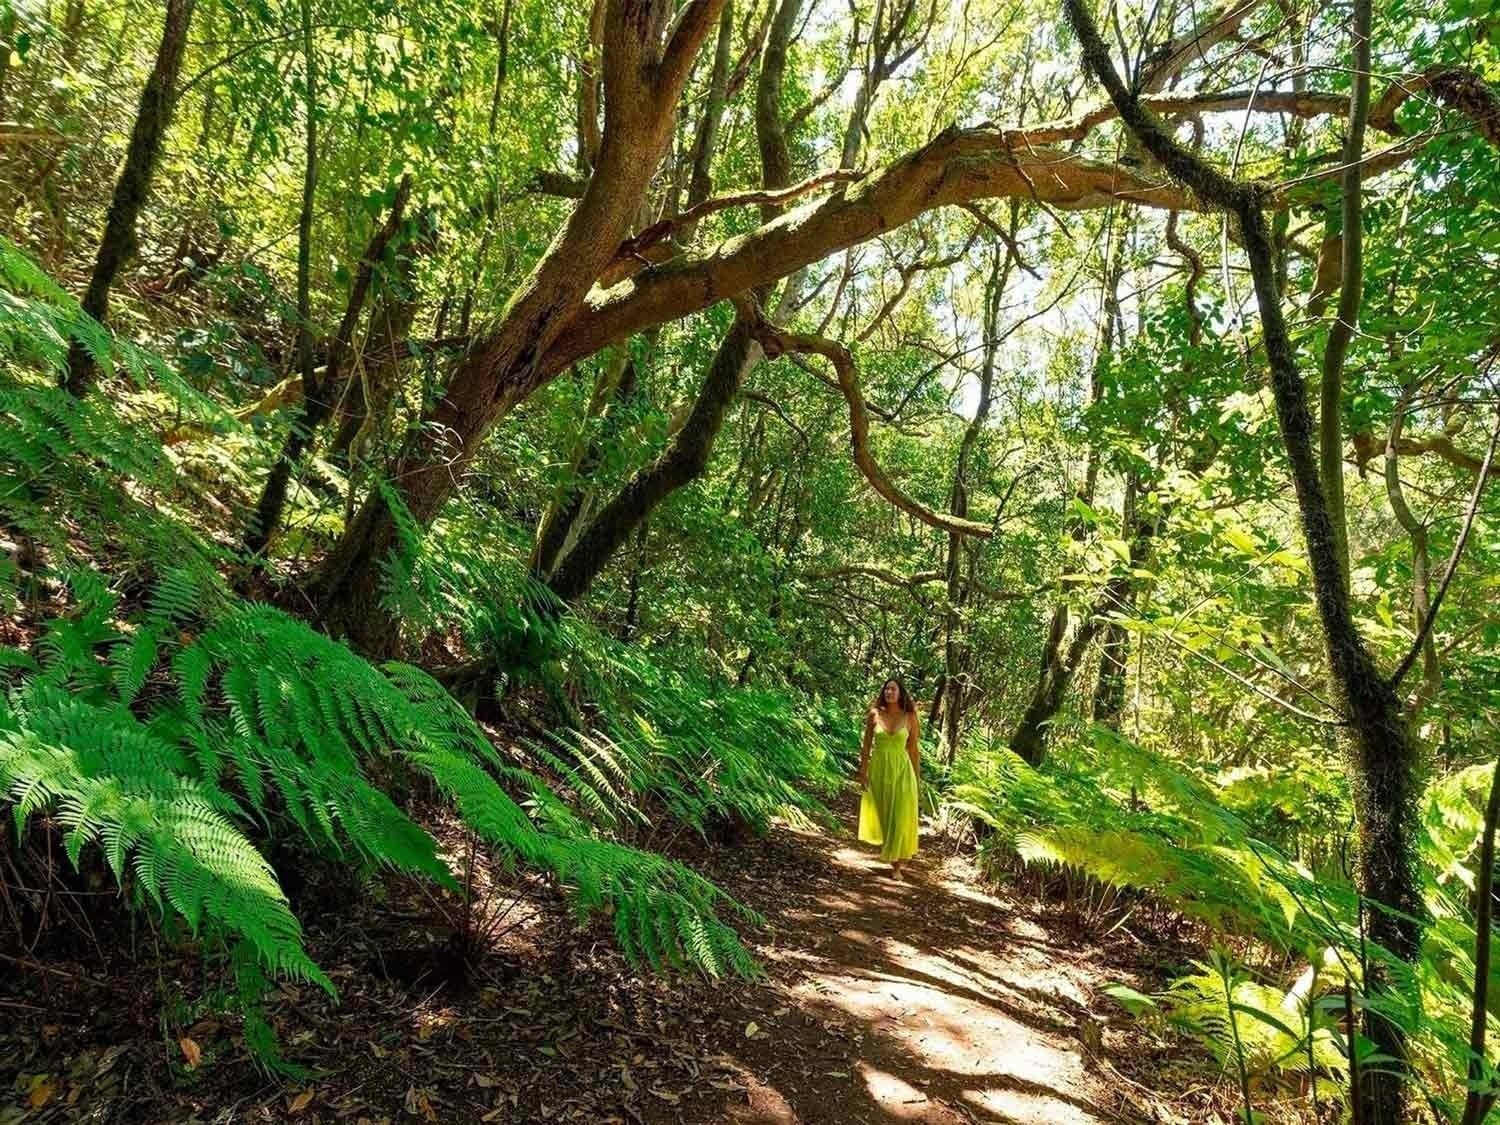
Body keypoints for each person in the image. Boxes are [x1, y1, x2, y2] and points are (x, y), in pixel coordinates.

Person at [856, 676, 920, 877]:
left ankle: (897, 865)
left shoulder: (910, 717)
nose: (889, 692)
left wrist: (917, 779)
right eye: (886, 689)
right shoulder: (875, 714)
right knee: (885, 814)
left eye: (893, 689)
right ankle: (892, 854)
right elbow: (866, 745)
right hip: (879, 769)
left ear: (900, 693)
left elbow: (913, 750)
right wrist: (863, 772)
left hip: (902, 771)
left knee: (900, 815)